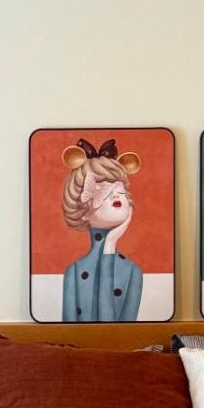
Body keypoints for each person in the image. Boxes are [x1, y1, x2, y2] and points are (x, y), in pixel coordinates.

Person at [61, 137, 143, 322]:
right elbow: (67, 332)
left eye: (120, 192)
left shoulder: (133, 272)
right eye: (104, 191)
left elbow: (115, 331)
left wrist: (110, 245)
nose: (116, 195)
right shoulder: (73, 272)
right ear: (82, 211)